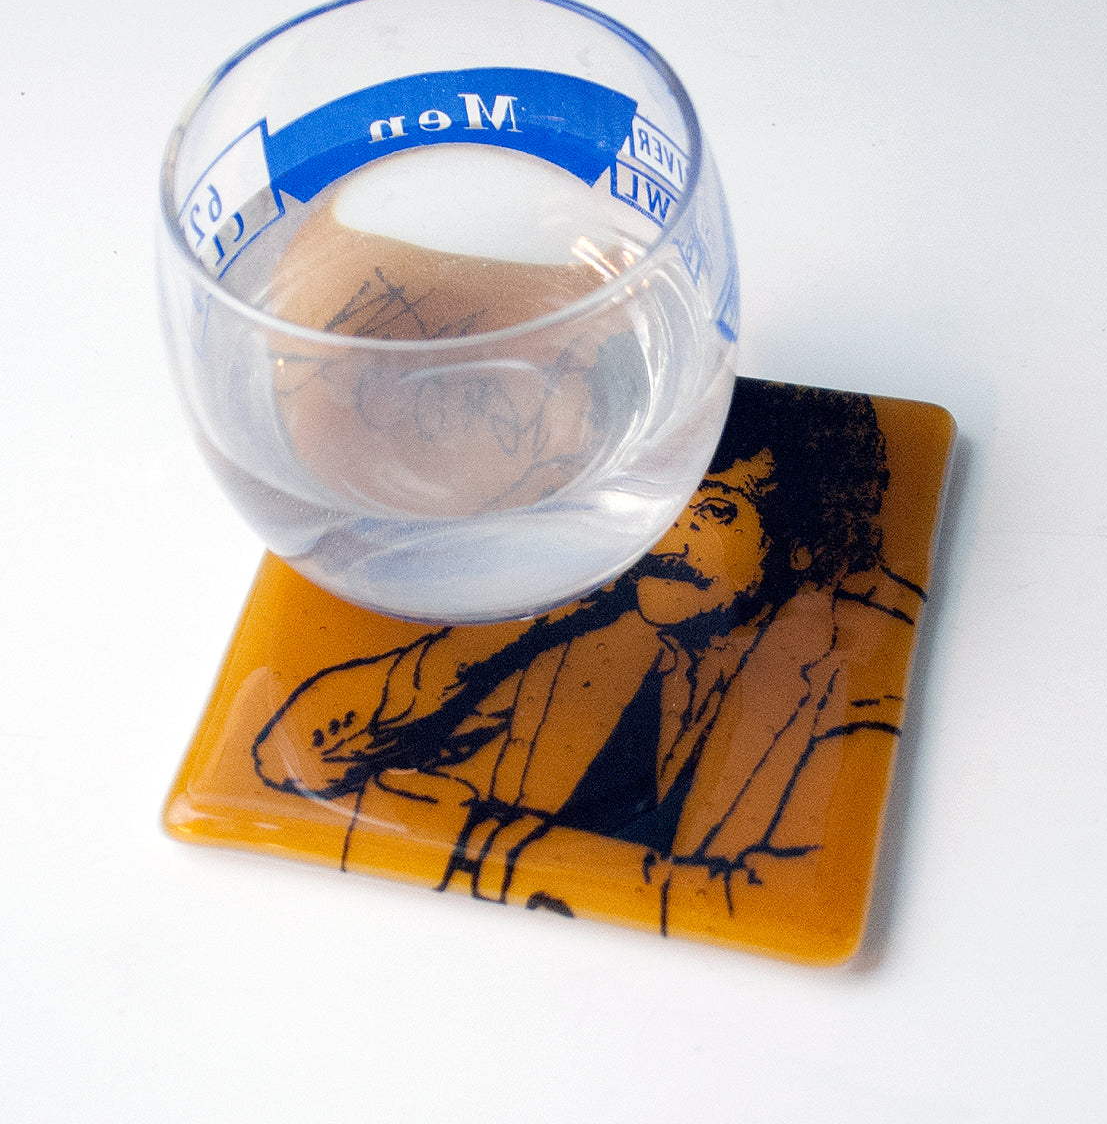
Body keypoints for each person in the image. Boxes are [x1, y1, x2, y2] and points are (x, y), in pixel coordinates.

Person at [253, 381, 924, 961]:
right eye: (658, 495)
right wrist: (508, 633)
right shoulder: (591, 629)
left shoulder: (858, 663)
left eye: (716, 510)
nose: (669, 534)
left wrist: (497, 842)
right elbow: (292, 756)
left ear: (803, 547)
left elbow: (781, 899)